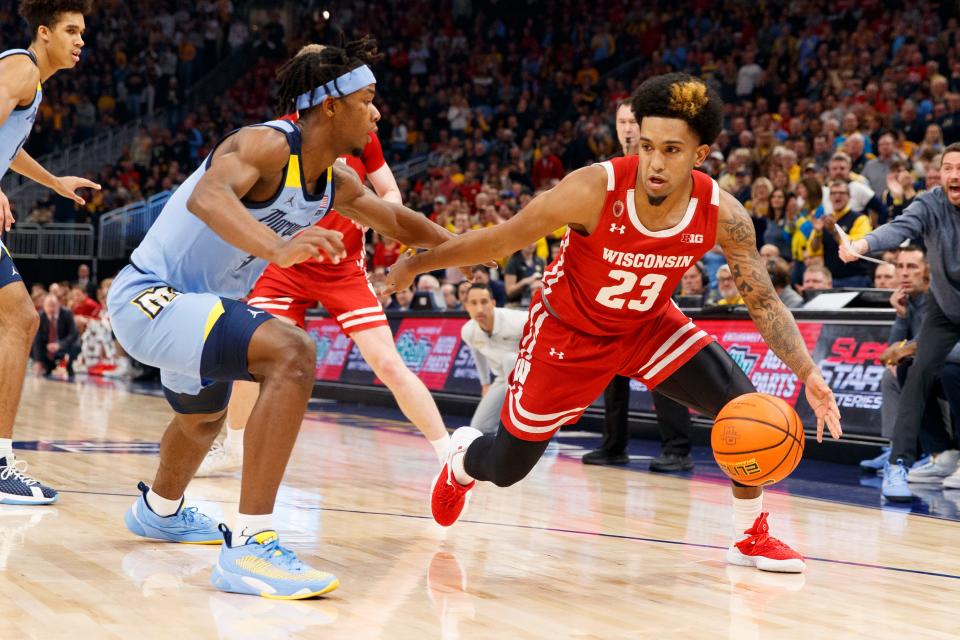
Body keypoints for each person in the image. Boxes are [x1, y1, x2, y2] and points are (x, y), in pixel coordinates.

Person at [387, 73, 841, 573]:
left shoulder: (721, 212)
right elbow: (499, 241)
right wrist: (414, 263)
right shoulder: (592, 189)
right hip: (568, 334)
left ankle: (748, 535)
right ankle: (461, 458)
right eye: (647, 145)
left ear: (700, 154)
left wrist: (807, 373)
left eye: (671, 149)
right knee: (505, 468)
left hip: (648, 327)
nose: (655, 161)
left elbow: (764, 301)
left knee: (744, 407)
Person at [106, 37, 457, 598]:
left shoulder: (336, 181)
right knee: (292, 352)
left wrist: (477, 245)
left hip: (201, 313)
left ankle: (158, 510)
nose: (378, 112)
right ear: (331, 106)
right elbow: (208, 198)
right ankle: (250, 545)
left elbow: (395, 218)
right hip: (150, 298)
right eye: (368, 100)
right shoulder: (265, 144)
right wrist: (277, 248)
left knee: (201, 422)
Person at [196, 47, 450, 475]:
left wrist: (376, 219)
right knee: (249, 359)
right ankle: (234, 448)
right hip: (285, 267)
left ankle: (448, 453)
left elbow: (389, 192)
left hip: (343, 268)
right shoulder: (280, 137)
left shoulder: (360, 133)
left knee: (388, 363)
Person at [0, 0, 100, 505]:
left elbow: (7, 147)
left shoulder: (31, 81)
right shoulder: (20, 67)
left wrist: (54, 182)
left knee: (20, 318)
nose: (81, 40)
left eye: (83, 31)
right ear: (44, 32)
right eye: (71, 30)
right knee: (20, 319)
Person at [841, 141, 960, 501]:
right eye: (949, 168)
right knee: (917, 371)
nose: (955, 175)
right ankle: (899, 464)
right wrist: (861, 245)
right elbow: (899, 227)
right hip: (945, 307)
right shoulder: (931, 203)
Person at [583, 99, 694, 470]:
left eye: (633, 121)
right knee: (609, 371)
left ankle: (677, 449)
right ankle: (613, 445)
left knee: (664, 370)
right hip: (612, 283)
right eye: (621, 122)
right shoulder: (607, 173)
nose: (627, 128)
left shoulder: (662, 170)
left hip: (652, 277)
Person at [460, 283, 527, 434]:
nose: (479, 309)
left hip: (533, 377)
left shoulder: (518, 321)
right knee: (477, 429)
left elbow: (547, 328)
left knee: (509, 360)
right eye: (473, 303)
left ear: (493, 303)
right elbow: (477, 353)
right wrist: (485, 383)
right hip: (504, 379)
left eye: (484, 302)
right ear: (466, 306)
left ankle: (522, 420)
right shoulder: (468, 331)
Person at [808, 180, 873, 287]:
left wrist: (834, 231)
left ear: (849, 197)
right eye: (833, 193)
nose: (837, 196)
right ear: (829, 198)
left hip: (856, 278)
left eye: (842, 193)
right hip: (831, 279)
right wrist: (818, 232)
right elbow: (813, 250)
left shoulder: (860, 219)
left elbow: (855, 247)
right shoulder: (824, 220)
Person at [31, 293, 79, 376]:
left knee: (76, 344)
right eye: (49, 306)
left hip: (63, 347)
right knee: (35, 340)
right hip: (46, 349)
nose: (51, 308)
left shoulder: (67, 313)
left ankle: (68, 366)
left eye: (53, 305)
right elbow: (37, 338)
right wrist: (38, 360)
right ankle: (41, 364)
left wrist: (59, 345)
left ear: (59, 305)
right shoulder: (40, 315)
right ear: (44, 306)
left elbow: (73, 334)